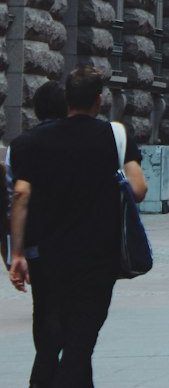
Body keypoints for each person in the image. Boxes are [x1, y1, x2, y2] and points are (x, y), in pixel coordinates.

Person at [7, 64, 147, 385]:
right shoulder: (115, 135)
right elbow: (138, 191)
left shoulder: (29, 142)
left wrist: (17, 253)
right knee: (81, 341)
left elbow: (21, 194)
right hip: (99, 254)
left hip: (48, 255)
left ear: (67, 98)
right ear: (99, 100)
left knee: (49, 332)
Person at [5, 80, 68, 379]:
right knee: (67, 306)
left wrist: (14, 250)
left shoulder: (22, 144)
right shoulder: (82, 141)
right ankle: (46, 371)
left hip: (36, 243)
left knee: (42, 305)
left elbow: (14, 196)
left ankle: (47, 368)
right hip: (75, 240)